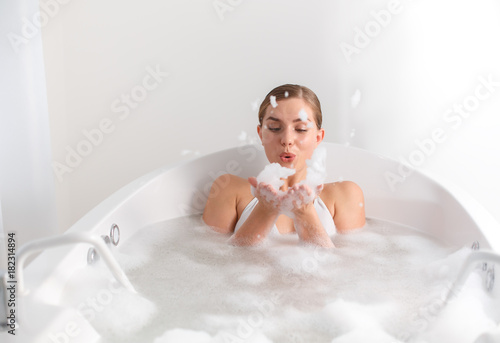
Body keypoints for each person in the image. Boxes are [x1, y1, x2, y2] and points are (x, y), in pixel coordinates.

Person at [203, 84, 365, 247]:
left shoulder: (346, 196)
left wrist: (305, 213)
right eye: (274, 128)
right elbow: (213, 262)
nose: (287, 139)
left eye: (300, 129)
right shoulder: (228, 189)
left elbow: (347, 269)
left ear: (318, 137)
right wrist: (265, 211)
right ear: (261, 134)